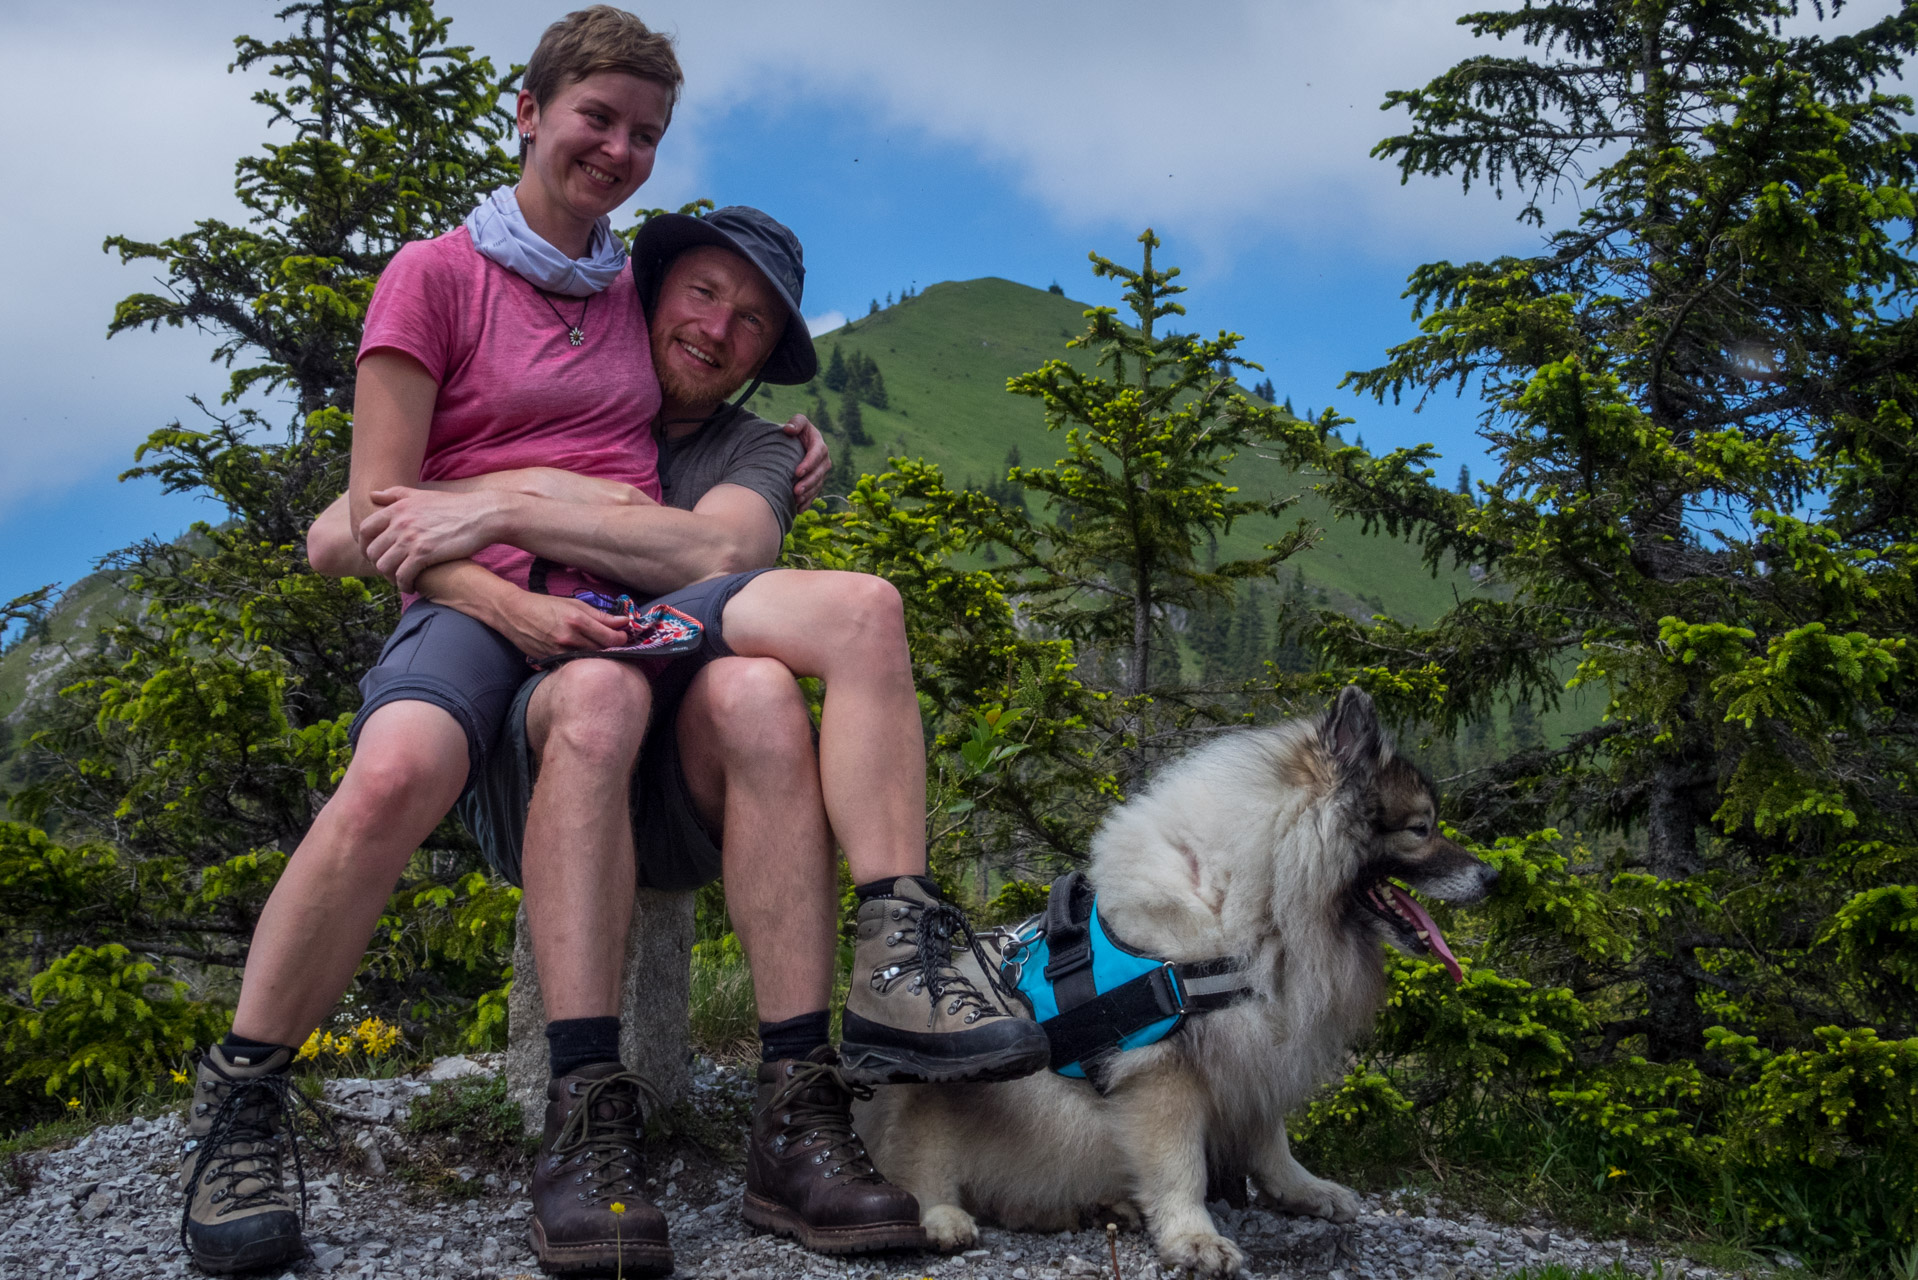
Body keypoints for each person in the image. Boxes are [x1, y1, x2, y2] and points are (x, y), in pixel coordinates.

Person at [309, 206, 1047, 1270]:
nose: (717, 328)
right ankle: (586, 1116)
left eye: (750, 321)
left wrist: (497, 507)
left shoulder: (750, 449)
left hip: (680, 785)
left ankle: (800, 1100)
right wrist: (517, 496)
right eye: (702, 293)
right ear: (647, 295)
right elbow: (339, 529)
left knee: (754, 689)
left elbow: (725, 547)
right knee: (605, 700)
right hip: (534, 751)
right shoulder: (538, 401)